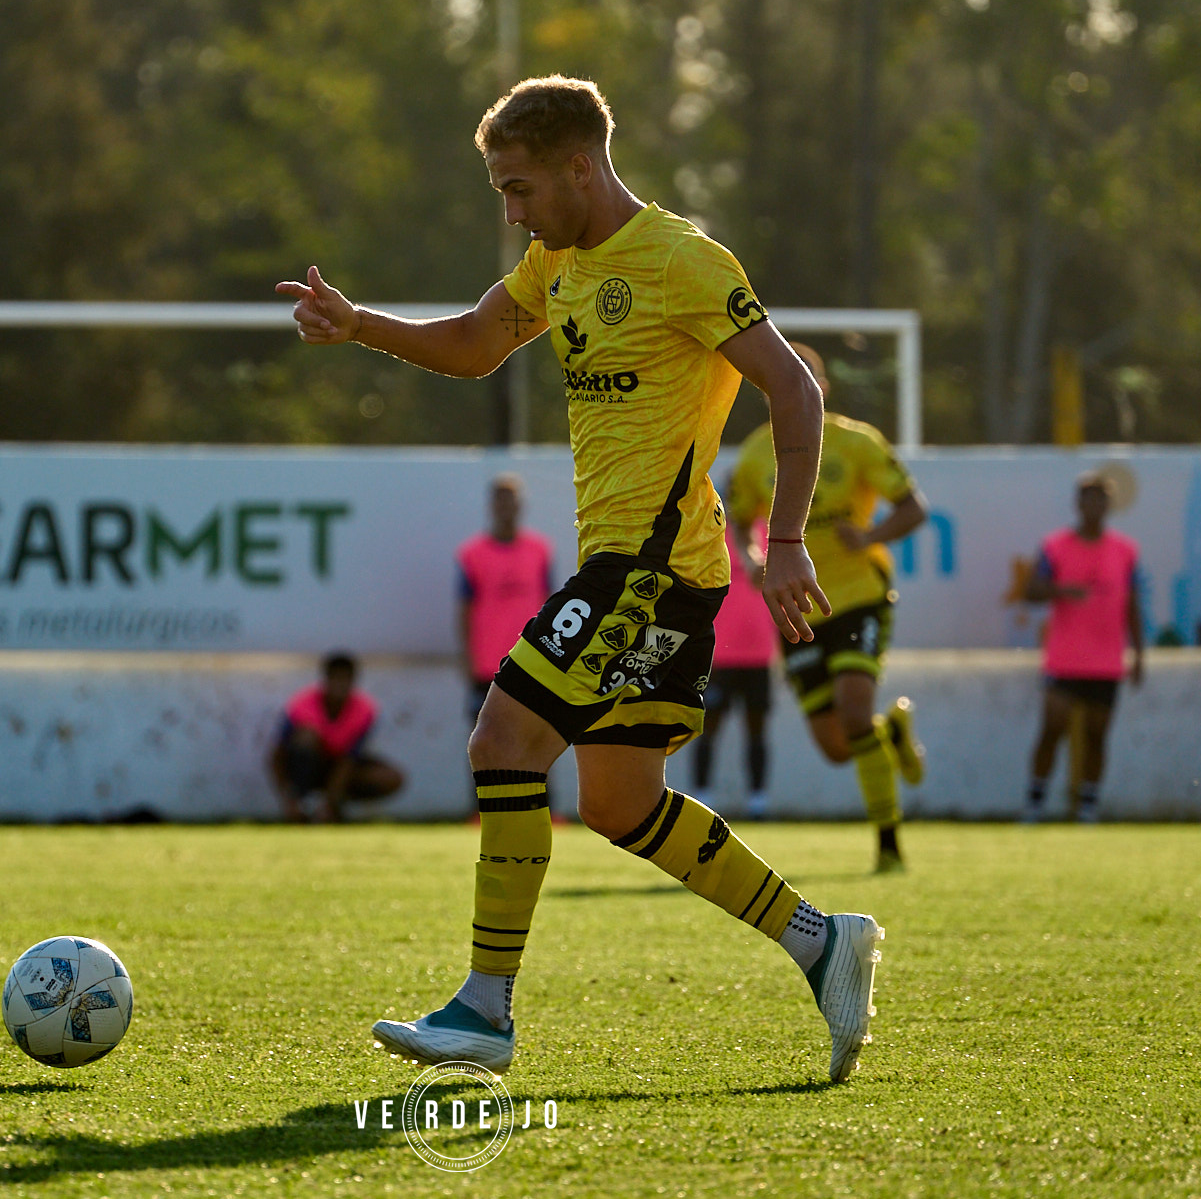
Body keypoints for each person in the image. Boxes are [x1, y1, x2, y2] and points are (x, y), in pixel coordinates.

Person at [277, 75, 884, 1084]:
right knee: (617, 803)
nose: (510, 213)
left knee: (501, 738)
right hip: (635, 575)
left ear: (579, 166)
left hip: (650, 573)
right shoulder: (552, 261)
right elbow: (476, 344)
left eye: (518, 190)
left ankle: (482, 1009)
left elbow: (794, 387)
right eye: (498, 194)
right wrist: (360, 326)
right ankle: (823, 943)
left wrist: (781, 543)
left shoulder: (681, 262)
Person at [726, 342, 929, 872]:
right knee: (838, 746)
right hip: (797, 607)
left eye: (805, 380)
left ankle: (889, 845)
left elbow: (913, 508)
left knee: (855, 710)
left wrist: (871, 535)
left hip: (859, 594)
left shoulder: (855, 442)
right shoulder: (754, 455)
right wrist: (751, 554)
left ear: (822, 388)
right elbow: (739, 516)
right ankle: (894, 733)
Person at [1020, 472, 1144, 824]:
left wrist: (1138, 653)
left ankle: (1088, 807)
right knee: (1052, 728)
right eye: (1088, 499)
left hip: (1106, 660)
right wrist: (1061, 590)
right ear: (1078, 504)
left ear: (1108, 505)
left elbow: (1132, 605)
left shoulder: (1125, 550)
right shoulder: (1054, 546)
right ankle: (1035, 803)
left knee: (1096, 735)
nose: (1094, 506)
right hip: (1065, 657)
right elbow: (1030, 592)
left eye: (1100, 499)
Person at [691, 500, 780, 820]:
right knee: (707, 726)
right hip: (719, 655)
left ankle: (758, 802)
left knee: (757, 728)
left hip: (759, 654)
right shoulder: (713, 537)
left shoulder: (772, 537)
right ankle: (702, 799)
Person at [457, 474, 555, 721]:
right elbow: (463, 610)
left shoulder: (540, 549)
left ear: (521, 505)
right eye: (499, 500)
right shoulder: (472, 553)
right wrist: (466, 659)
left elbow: (550, 604)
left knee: (531, 743)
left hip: (530, 664)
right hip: (486, 667)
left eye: (510, 500)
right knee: (485, 746)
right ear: (491, 505)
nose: (505, 507)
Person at [268, 653, 405, 823]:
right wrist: (288, 800)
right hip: (306, 769)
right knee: (306, 738)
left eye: (345, 679)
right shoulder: (301, 705)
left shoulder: (364, 710)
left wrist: (330, 803)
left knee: (391, 778)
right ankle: (301, 801)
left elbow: (348, 760)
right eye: (335, 678)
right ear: (325, 679)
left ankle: (332, 807)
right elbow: (276, 756)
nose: (340, 685)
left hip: (340, 771)